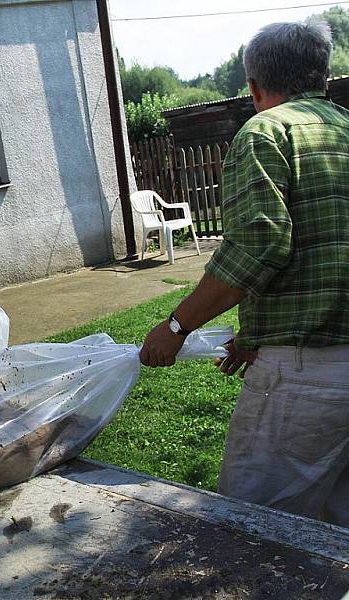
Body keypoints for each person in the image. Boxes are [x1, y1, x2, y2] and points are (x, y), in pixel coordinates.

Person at [139, 20, 349, 526]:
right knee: (337, 527)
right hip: (321, 358)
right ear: (322, 76)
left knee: (253, 527)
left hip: (305, 379)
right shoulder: (345, 128)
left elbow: (258, 247)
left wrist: (175, 327)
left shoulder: (265, 132)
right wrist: (259, 333)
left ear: (253, 87)